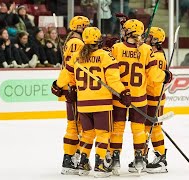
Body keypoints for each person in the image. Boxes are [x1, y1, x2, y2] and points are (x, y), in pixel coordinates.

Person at [52, 27, 131, 177]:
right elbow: (113, 80)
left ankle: (83, 163)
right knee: (103, 134)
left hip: (83, 103)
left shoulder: (76, 56)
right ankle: (100, 165)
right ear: (99, 40)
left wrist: (57, 85)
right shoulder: (105, 56)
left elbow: (65, 76)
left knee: (87, 133)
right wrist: (123, 92)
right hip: (102, 103)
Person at [109, 19, 172, 175]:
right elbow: (153, 75)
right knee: (139, 130)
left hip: (121, 95)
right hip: (141, 96)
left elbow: (109, 69)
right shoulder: (146, 50)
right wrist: (165, 75)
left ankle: (116, 159)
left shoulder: (116, 48)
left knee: (118, 129)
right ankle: (139, 159)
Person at [56, 16, 90, 175]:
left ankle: (73, 155)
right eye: (86, 27)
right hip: (74, 89)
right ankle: (69, 158)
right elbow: (75, 67)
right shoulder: (77, 43)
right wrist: (73, 87)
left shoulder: (71, 41)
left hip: (71, 88)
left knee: (76, 124)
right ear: (81, 27)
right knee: (75, 125)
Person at [143, 27, 168, 173]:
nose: (146, 38)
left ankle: (161, 157)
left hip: (154, 96)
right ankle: (143, 156)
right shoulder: (151, 53)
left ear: (155, 40)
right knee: (146, 128)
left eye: (149, 36)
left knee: (154, 128)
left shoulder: (158, 56)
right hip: (148, 96)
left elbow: (154, 78)